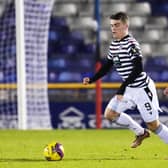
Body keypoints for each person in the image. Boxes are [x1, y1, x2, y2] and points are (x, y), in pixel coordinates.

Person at [83, 12, 168, 148]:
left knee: (153, 125)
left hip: (142, 88)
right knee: (110, 114)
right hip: (129, 88)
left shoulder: (131, 44)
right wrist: (92, 79)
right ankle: (141, 133)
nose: (113, 28)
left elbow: (138, 68)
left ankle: (149, 132)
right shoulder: (114, 45)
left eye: (117, 25)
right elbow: (108, 65)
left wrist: (122, 87)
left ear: (126, 26)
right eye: (111, 25)